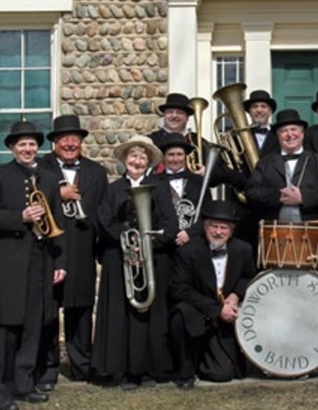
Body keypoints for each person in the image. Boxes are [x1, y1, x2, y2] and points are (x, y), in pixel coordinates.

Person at [0, 120, 67, 410]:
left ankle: (24, 384)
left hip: (41, 258)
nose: (27, 149)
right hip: (7, 263)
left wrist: (59, 261)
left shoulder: (50, 179)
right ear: (13, 148)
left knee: (33, 323)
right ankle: (0, 388)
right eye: (22, 145)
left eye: (32, 145)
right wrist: (21, 216)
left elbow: (58, 224)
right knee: (5, 327)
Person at [92, 135, 178, 389]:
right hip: (120, 258)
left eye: (142, 157)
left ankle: (147, 369)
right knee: (121, 313)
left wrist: (148, 242)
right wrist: (126, 239)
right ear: (125, 160)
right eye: (133, 156)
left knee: (149, 314)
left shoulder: (160, 188)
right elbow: (104, 220)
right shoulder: (112, 189)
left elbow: (170, 226)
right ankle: (124, 371)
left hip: (152, 257)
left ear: (149, 162)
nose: (137, 161)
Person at [36, 115, 108, 390]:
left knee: (80, 308)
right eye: (63, 138)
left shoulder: (96, 171)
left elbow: (102, 211)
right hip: (50, 246)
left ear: (81, 142)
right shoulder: (40, 168)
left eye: (74, 139)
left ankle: (81, 365)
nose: (69, 143)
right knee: (49, 310)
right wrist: (58, 192)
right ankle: (47, 369)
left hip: (82, 247)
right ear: (54, 142)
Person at [169, 200, 256, 385]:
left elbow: (248, 277)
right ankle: (185, 371)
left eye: (223, 227)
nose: (218, 232)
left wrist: (235, 295)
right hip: (199, 311)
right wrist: (216, 310)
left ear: (232, 229)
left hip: (226, 318)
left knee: (222, 374)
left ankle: (203, 358)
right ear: (204, 227)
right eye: (213, 227)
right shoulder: (188, 251)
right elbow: (180, 289)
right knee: (180, 315)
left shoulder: (243, 250)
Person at [246, 109, 318, 225]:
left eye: (294, 129)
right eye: (284, 131)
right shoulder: (265, 163)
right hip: (273, 230)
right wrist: (278, 197)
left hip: (313, 230)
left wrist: (303, 197)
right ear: (278, 136)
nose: (289, 134)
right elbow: (251, 191)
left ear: (302, 134)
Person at [153, 133, 207, 249]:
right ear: (164, 157)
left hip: (193, 243)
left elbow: (206, 213)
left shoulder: (199, 182)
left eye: (179, 154)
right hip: (163, 247)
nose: (176, 159)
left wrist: (190, 233)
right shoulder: (153, 183)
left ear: (185, 156)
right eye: (171, 155)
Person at [244, 89, 279, 159]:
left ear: (270, 111)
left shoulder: (279, 134)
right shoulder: (239, 136)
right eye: (255, 106)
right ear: (249, 112)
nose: (259, 110)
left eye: (263, 106)